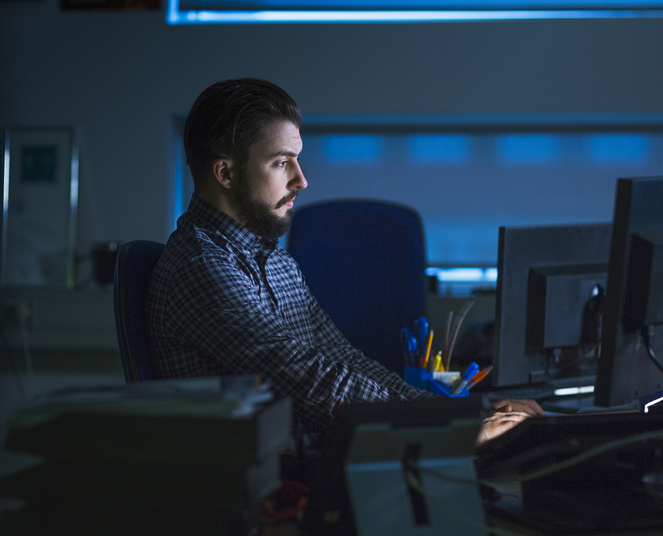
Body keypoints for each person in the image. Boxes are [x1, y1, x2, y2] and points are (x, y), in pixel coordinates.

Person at [146, 78, 543, 445]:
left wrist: (452, 412)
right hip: (265, 488)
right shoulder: (202, 266)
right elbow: (307, 380)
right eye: (282, 162)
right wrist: (449, 429)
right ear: (225, 173)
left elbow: (341, 359)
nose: (302, 180)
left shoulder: (271, 258)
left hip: (318, 458)